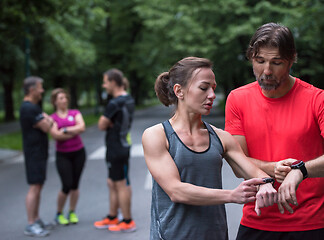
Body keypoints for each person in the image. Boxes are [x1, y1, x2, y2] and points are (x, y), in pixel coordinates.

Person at [142, 56, 278, 240]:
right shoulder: (156, 136)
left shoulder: (221, 137)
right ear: (179, 91)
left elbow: (253, 171)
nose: (212, 95)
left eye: (213, 88)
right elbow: (176, 191)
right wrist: (232, 195)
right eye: (204, 88)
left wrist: (266, 184)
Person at [225, 22, 324, 240]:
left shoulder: (317, 99)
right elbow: (237, 164)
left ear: (291, 60)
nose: (267, 71)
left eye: (276, 62)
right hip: (257, 219)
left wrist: (301, 170)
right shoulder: (237, 99)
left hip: (312, 222)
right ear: (251, 58)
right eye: (260, 61)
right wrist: (272, 168)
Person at [94, 68, 136, 232]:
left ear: (112, 82)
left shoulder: (115, 103)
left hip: (117, 147)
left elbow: (101, 125)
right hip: (121, 145)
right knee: (113, 182)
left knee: (121, 184)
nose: (104, 85)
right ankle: (112, 217)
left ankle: (127, 221)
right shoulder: (128, 99)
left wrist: (109, 123)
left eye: (105, 82)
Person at [20, 76, 54, 237]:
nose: (42, 91)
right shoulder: (29, 108)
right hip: (33, 153)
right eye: (40, 87)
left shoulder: (33, 107)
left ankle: (36, 219)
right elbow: (48, 126)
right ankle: (30, 223)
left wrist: (46, 119)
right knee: (34, 186)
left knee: (38, 185)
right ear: (32, 89)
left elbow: (47, 122)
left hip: (38, 152)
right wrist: (47, 119)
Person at [49, 88, 86, 225]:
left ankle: (72, 211)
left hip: (79, 152)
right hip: (63, 155)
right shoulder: (52, 118)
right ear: (54, 101)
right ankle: (59, 213)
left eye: (65, 98)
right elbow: (55, 135)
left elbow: (82, 127)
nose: (64, 100)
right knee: (66, 184)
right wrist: (73, 130)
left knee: (75, 185)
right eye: (60, 98)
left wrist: (64, 130)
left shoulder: (74, 112)